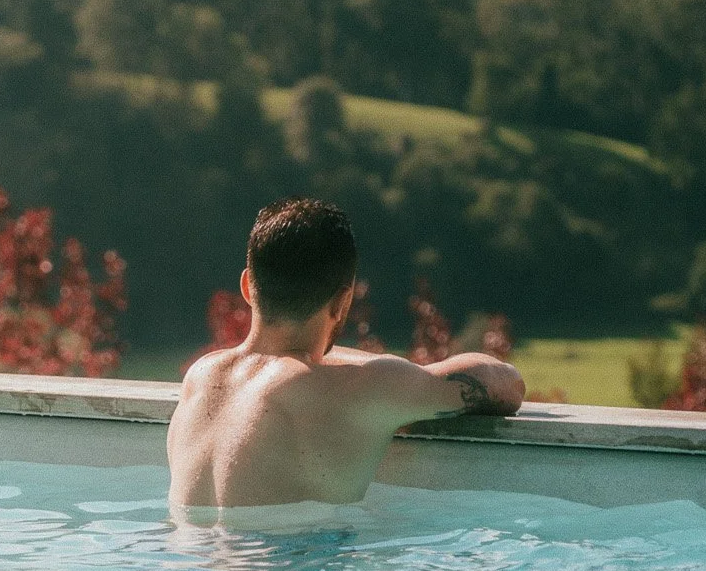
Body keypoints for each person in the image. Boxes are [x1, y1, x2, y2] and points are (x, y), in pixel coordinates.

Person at [169, 198, 525, 511]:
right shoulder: (357, 388)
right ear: (342, 302)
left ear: (247, 286)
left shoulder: (200, 377)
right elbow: (506, 383)